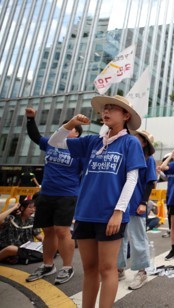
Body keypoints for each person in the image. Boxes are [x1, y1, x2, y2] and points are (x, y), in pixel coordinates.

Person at [48, 95, 146, 308]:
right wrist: (71, 124)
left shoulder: (130, 142)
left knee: (107, 269)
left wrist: (119, 212)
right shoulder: (93, 141)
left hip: (110, 215)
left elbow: (132, 178)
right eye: (105, 109)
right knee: (89, 268)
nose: (106, 112)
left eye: (112, 108)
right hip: (85, 213)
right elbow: (54, 142)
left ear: (126, 115)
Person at [24, 108, 83, 285]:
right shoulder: (51, 143)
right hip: (46, 194)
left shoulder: (80, 150)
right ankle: (48, 265)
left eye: (70, 127)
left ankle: (67, 267)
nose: (65, 129)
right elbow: (35, 136)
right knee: (48, 231)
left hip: (67, 195)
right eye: (64, 127)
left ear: (77, 134)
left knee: (62, 231)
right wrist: (30, 119)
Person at [117, 130, 157, 290]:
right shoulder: (125, 155)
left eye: (137, 138)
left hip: (136, 204)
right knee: (118, 239)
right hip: (120, 204)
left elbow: (149, 182)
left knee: (138, 239)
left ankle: (142, 272)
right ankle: (119, 269)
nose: (132, 139)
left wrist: (143, 202)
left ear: (144, 142)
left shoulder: (149, 159)